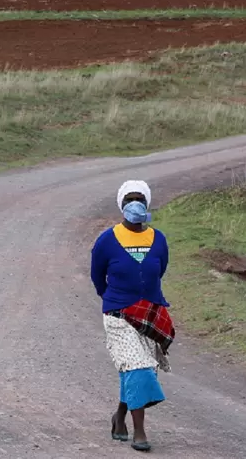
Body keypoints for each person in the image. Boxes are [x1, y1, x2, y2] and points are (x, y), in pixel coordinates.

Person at [90, 180, 175, 453]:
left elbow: (159, 271)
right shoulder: (106, 240)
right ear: (122, 205)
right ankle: (139, 431)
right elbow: (97, 277)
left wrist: (142, 300)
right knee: (138, 368)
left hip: (148, 314)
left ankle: (119, 417)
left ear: (147, 205)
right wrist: (116, 300)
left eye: (140, 199)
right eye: (130, 200)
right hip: (117, 315)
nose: (135, 204)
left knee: (137, 369)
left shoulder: (158, 239)